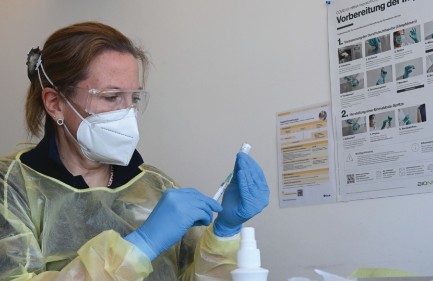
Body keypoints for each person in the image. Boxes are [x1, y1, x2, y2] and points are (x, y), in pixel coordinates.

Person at [0, 21, 269, 281]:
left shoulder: (154, 185)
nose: (127, 114)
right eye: (110, 97)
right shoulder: (12, 188)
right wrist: (142, 244)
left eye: (134, 98)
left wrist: (223, 234)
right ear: (55, 103)